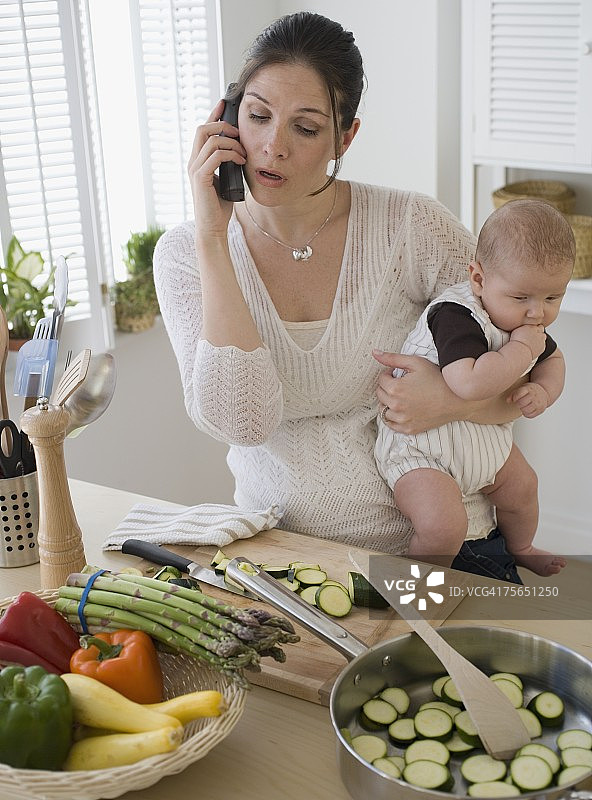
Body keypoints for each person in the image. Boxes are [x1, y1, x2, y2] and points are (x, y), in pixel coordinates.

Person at [154, 11, 532, 582]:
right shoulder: (187, 254)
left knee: (460, 675)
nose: (271, 147)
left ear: (345, 137)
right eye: (256, 117)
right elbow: (243, 421)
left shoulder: (412, 227)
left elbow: (527, 370)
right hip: (281, 564)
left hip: (449, 552)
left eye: (305, 128)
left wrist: (449, 400)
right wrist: (213, 237)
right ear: (227, 120)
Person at [375, 199, 575, 575]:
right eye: (522, 298)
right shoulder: (455, 314)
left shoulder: (524, 324)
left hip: (485, 442)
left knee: (523, 487)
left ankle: (521, 546)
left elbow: (554, 360)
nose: (538, 313)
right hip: (422, 449)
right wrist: (519, 351)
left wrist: (545, 391)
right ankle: (415, 585)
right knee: (443, 526)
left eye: (553, 298)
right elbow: (466, 383)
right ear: (479, 279)